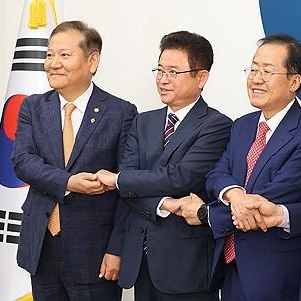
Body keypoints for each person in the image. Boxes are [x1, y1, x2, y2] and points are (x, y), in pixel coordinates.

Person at [178, 34, 301, 301]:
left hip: (273, 272)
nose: (256, 78)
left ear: (294, 81)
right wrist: (234, 194)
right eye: (254, 69)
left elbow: (272, 198)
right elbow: (217, 174)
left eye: (267, 72)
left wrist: (205, 214)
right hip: (230, 266)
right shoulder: (242, 125)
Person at [95, 31, 232, 301]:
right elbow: (127, 186)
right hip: (140, 259)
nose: (163, 79)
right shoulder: (142, 121)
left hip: (186, 265)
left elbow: (180, 178)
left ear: (201, 77)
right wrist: (166, 204)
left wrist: (121, 180)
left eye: (173, 71)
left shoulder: (217, 125)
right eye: (159, 70)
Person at [12, 21, 137, 300]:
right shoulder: (32, 107)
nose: (53, 63)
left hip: (95, 255)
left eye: (64, 55)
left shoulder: (120, 113)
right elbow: (22, 161)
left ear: (92, 61)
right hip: (41, 249)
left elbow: (128, 188)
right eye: (49, 55)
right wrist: (68, 182)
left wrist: (116, 248)